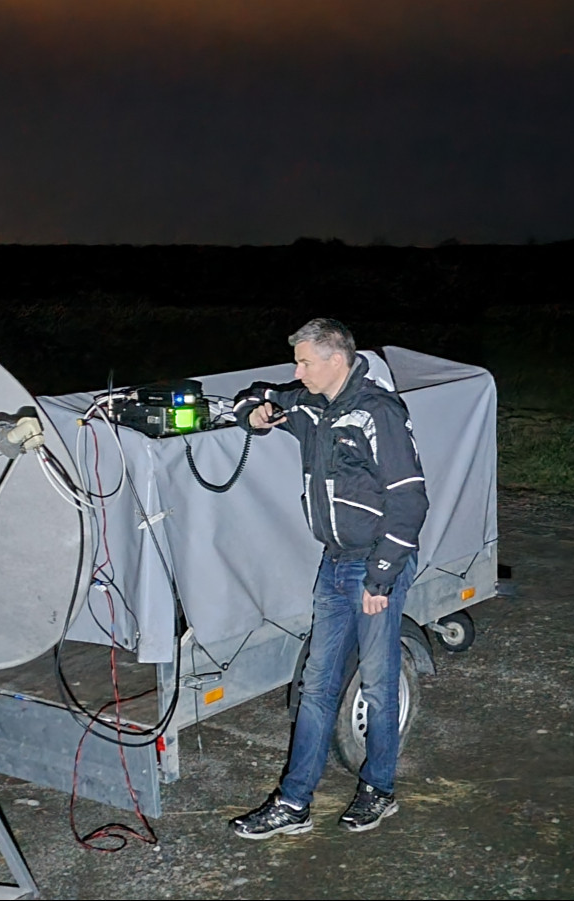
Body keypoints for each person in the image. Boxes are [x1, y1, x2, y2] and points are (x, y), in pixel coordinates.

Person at [227, 318, 430, 838]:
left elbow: (409, 502)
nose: (298, 371)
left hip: (374, 566)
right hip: (334, 562)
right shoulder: (313, 403)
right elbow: (258, 397)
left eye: (305, 362)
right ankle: (294, 804)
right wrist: (256, 412)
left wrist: (381, 580)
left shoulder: (377, 412)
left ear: (336, 360)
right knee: (316, 687)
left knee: (380, 686)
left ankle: (378, 790)